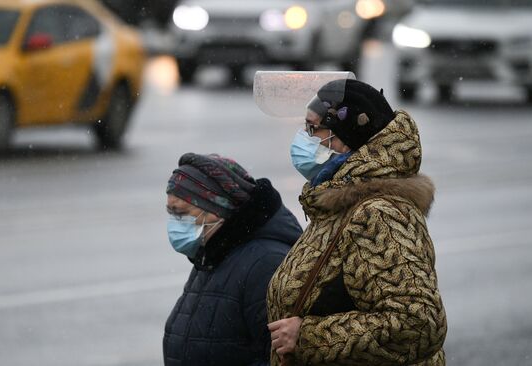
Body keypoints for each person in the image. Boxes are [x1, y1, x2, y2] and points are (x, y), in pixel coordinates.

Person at [267, 79, 447, 365]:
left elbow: (418, 322)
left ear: (345, 137)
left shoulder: (379, 214)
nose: (304, 138)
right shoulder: (336, 202)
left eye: (313, 129)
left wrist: (308, 338)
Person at [163, 152, 303, 366]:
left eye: (181, 213)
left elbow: (281, 358)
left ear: (216, 210)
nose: (175, 223)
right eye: (171, 213)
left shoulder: (265, 263)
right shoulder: (212, 254)